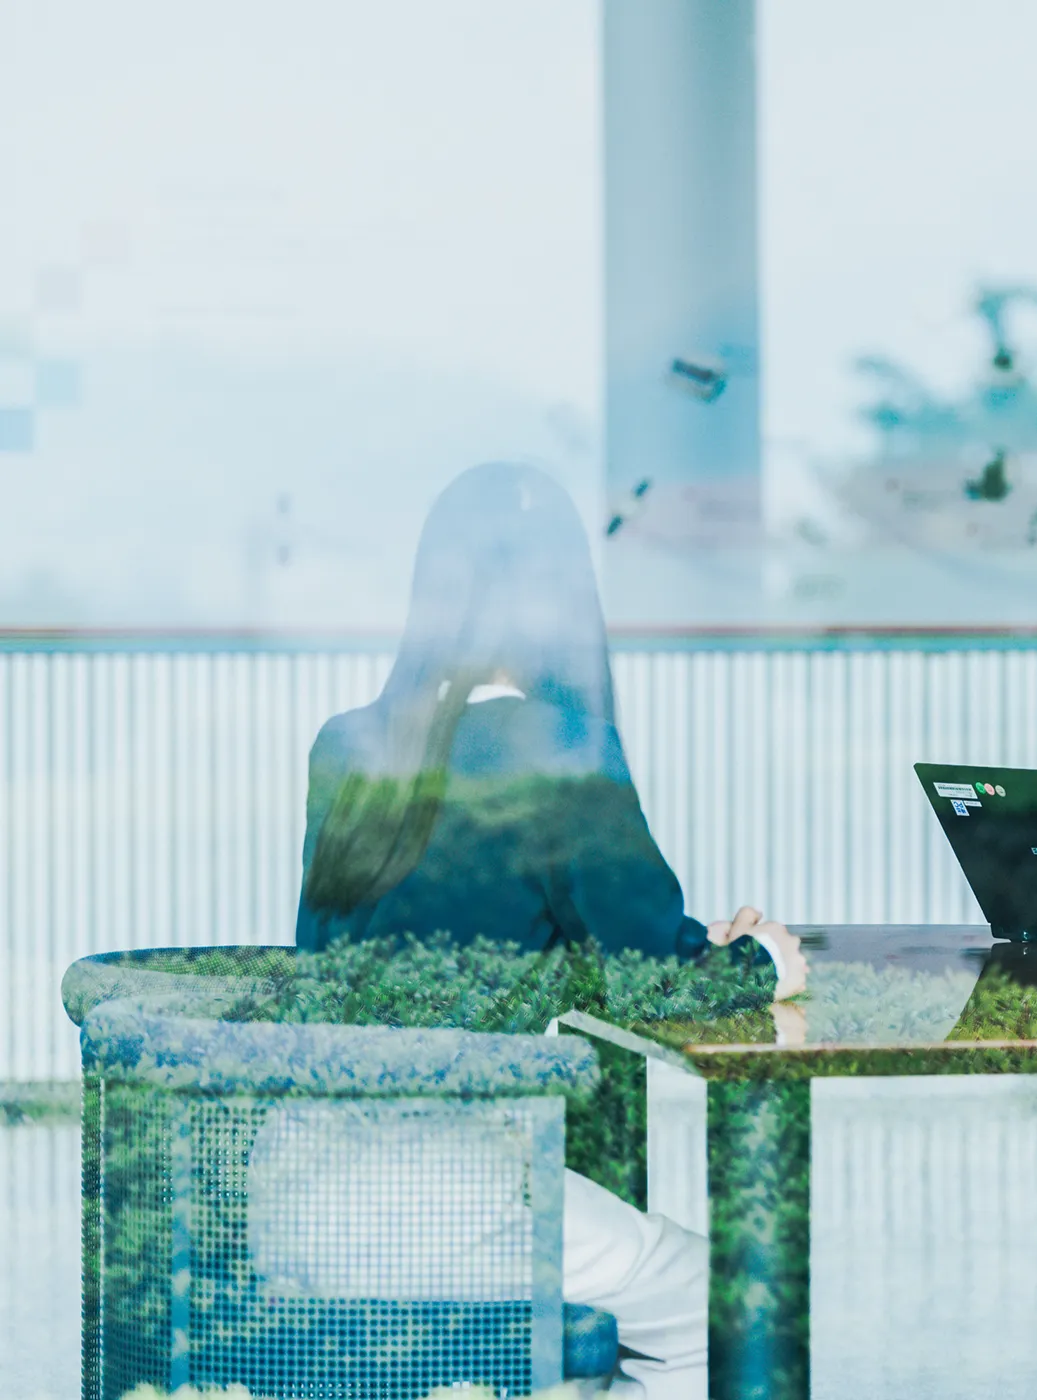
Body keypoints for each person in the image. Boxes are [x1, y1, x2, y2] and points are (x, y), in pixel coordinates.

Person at [292, 460, 803, 1400]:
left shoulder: (347, 746)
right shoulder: (563, 750)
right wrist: (764, 958)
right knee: (735, 1306)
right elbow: (657, 983)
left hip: (295, 1194)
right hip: (443, 1202)